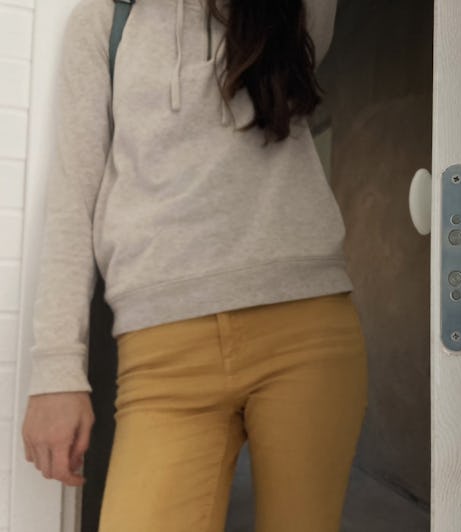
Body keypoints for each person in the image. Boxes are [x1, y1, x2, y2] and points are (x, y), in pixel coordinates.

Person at [21, 0, 369, 530]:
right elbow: (72, 200)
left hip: (305, 335)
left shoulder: (291, 10)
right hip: (162, 360)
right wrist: (55, 371)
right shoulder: (103, 22)